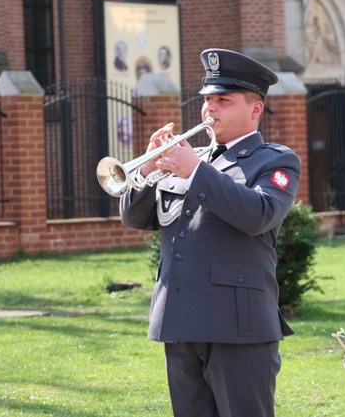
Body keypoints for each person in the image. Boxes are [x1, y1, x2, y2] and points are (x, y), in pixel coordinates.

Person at [119, 48, 301, 417]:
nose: (210, 109)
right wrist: (145, 171)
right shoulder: (192, 157)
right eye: (207, 100)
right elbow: (136, 218)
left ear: (255, 109)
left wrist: (195, 172)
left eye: (223, 100)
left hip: (239, 326)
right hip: (181, 320)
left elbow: (259, 215)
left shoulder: (275, 160)